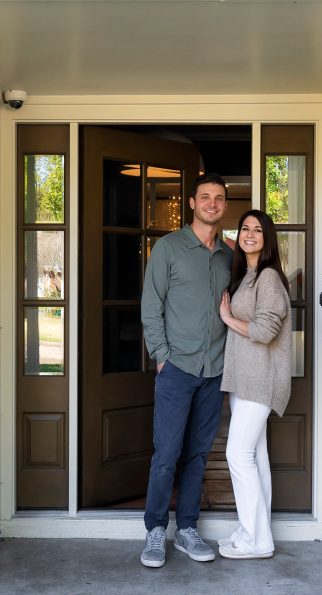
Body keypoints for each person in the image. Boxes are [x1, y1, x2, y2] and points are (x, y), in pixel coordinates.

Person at [139, 172, 233, 568]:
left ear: (224, 205)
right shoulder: (169, 248)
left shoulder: (229, 255)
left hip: (215, 370)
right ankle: (156, 530)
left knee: (197, 454)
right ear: (192, 203)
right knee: (167, 453)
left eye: (219, 198)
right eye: (205, 197)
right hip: (177, 368)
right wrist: (162, 355)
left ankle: (187, 529)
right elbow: (151, 305)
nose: (212, 203)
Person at [217, 209, 292, 560]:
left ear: (267, 238)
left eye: (257, 230)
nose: (249, 234)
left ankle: (256, 541)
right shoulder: (247, 274)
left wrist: (228, 318)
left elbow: (263, 331)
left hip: (260, 379)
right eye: (245, 228)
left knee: (238, 454)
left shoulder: (269, 278)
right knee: (256, 455)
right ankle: (256, 532)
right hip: (244, 379)